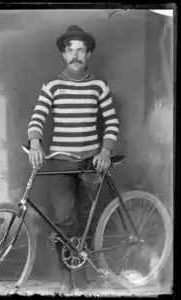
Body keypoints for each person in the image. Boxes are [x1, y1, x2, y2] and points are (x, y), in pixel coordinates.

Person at [27, 25, 119, 291]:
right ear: (64, 55)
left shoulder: (99, 86)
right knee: (65, 218)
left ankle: (82, 274)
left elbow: (111, 122)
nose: (75, 55)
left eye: (81, 50)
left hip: (91, 162)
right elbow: (37, 118)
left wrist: (105, 151)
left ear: (88, 54)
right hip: (60, 161)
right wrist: (35, 143)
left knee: (86, 216)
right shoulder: (52, 86)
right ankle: (65, 275)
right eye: (71, 50)